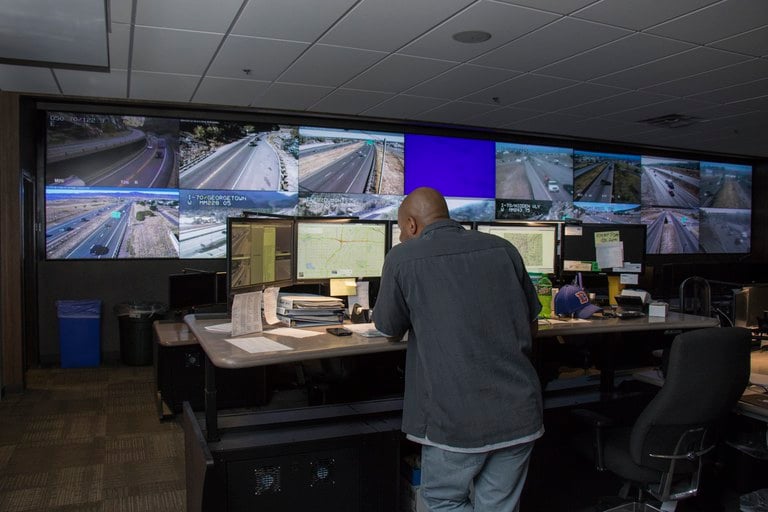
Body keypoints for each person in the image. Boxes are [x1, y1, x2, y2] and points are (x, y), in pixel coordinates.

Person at [374, 187, 543, 512]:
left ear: (410, 225)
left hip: (456, 420)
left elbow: (388, 329)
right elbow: (531, 324)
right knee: (498, 506)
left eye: (400, 229)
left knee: (442, 501)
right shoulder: (504, 248)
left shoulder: (402, 257)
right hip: (519, 414)